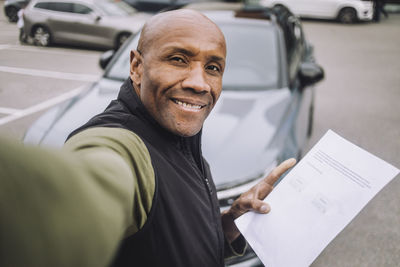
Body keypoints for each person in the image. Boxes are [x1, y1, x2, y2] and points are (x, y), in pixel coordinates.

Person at [0, 9, 296, 267]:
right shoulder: (122, 146)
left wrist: (229, 224)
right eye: (179, 59)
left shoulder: (183, 141)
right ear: (136, 67)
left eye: (213, 67)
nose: (199, 83)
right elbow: (87, 190)